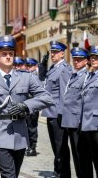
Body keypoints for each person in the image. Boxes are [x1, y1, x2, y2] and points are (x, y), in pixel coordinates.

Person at [0, 35, 53, 178]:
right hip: (0, 131)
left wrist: (26, 105)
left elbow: (47, 97)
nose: (8, 57)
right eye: (4, 54)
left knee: (14, 174)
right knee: (8, 175)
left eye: (11, 54)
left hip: (20, 132)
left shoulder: (26, 77)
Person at [41, 41, 72, 178]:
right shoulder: (53, 68)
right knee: (55, 145)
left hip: (58, 113)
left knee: (60, 146)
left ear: (62, 53)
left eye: (55, 52)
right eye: (51, 52)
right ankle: (57, 171)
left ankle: (63, 173)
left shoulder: (64, 69)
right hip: (51, 112)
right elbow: (42, 80)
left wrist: (62, 114)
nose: (52, 54)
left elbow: (64, 94)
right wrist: (42, 65)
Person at [61, 47, 93, 178]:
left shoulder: (86, 76)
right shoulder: (74, 75)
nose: (76, 62)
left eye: (79, 60)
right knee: (76, 155)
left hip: (78, 122)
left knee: (83, 156)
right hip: (70, 122)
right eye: (74, 59)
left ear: (86, 61)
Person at [80, 45, 98, 177]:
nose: (94, 59)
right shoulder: (90, 76)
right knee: (88, 159)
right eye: (92, 57)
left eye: (97, 57)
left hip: (96, 124)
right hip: (87, 124)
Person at [25, 58, 40, 156]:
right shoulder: (27, 76)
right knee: (27, 127)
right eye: (28, 66)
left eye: (31, 66)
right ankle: (28, 146)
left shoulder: (36, 77)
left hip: (33, 105)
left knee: (32, 127)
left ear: (35, 66)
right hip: (26, 104)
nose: (29, 67)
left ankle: (33, 148)